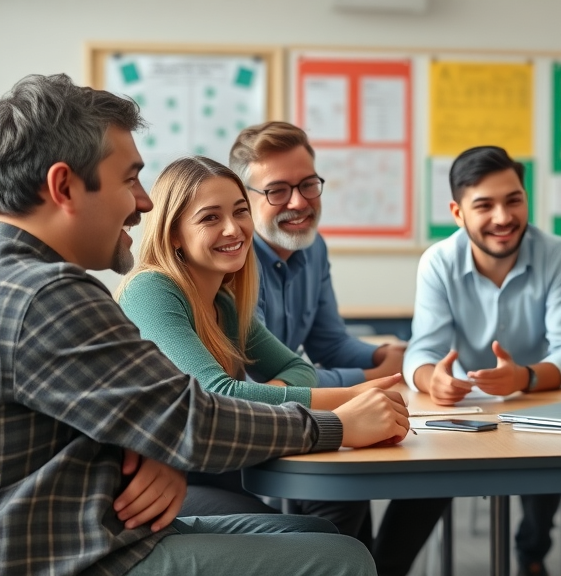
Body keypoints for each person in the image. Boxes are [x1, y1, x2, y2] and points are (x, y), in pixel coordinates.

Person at [0, 73, 409, 576]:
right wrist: (337, 423)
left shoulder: (24, 282)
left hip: (104, 524)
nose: (144, 202)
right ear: (64, 186)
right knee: (344, 559)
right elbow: (194, 414)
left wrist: (159, 447)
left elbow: (155, 413)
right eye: (130, 179)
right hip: (82, 552)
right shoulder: (49, 296)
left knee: (324, 536)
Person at [117, 155, 406, 535]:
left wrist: (260, 394)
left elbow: (299, 368)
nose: (233, 229)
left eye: (240, 212)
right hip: (163, 488)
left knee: (342, 503)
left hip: (221, 469)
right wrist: (349, 399)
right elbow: (216, 397)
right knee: (318, 537)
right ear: (173, 233)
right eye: (210, 218)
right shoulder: (151, 290)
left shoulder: (225, 301)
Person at [228, 121, 450, 576]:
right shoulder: (233, 258)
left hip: (302, 403)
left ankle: (381, 568)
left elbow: (328, 341)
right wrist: (374, 378)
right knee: (343, 492)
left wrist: (381, 355)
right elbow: (257, 380)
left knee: (438, 467)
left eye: (308, 184)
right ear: (245, 201)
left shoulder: (312, 246)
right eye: (277, 191)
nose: (299, 202)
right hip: (256, 424)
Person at [403, 145, 561, 576]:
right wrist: (433, 380)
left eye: (514, 200)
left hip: (538, 401)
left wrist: (523, 377)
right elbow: (420, 351)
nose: (503, 217)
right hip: (464, 411)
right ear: (457, 212)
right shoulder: (438, 261)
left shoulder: (555, 253)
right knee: (420, 473)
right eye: (484, 205)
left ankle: (532, 554)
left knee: (551, 458)